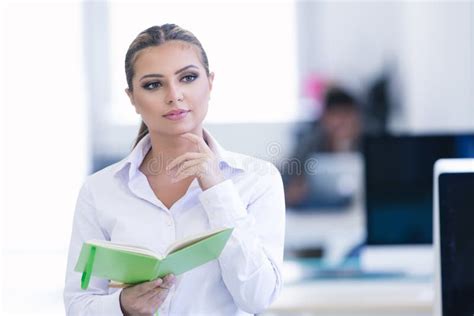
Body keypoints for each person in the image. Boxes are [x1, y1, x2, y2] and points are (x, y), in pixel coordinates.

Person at [63, 24, 286, 316]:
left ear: (210, 83)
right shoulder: (99, 191)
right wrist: (122, 306)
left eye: (188, 78)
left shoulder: (257, 180)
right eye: (154, 84)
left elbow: (259, 298)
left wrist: (217, 189)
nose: (174, 95)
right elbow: (78, 304)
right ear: (132, 98)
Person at [284, 86, 362, 207]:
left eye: (347, 115)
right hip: (317, 215)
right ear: (324, 118)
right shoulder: (310, 143)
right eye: (337, 115)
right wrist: (293, 190)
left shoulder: (366, 144)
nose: (343, 122)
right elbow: (287, 181)